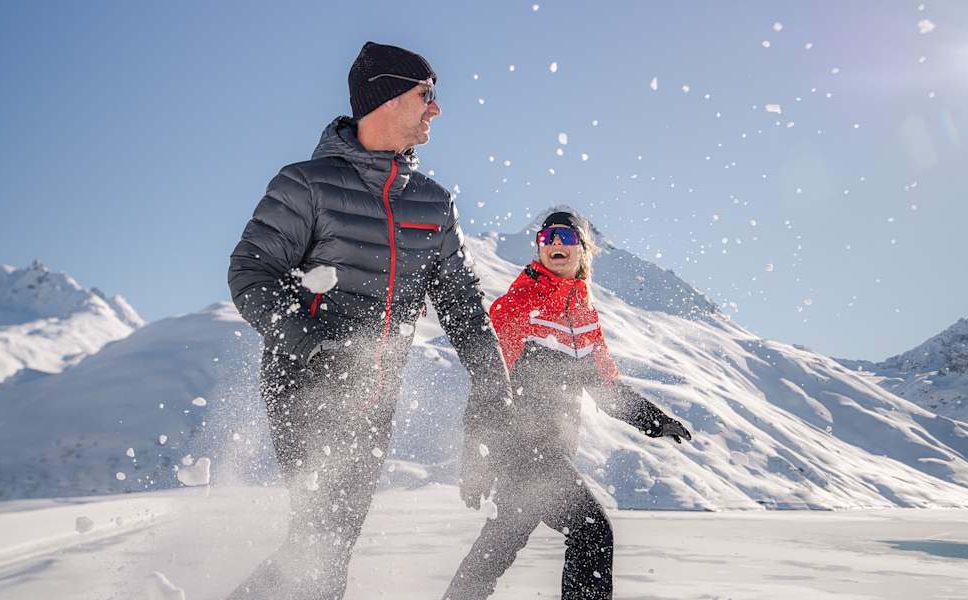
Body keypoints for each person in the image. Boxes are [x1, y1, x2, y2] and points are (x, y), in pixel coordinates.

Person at [227, 42, 512, 599]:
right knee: (322, 542)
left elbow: (462, 304)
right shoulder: (306, 184)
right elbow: (251, 273)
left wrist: (491, 378)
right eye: (426, 95)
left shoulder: (433, 203)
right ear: (385, 98)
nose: (437, 109)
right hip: (303, 385)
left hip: (375, 393)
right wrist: (312, 346)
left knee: (323, 544)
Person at [444, 211, 693, 600]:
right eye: (547, 236)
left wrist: (655, 421)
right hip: (523, 450)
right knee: (592, 530)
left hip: (553, 453)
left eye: (565, 236)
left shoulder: (583, 318)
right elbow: (488, 382)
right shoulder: (519, 304)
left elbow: (606, 390)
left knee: (494, 552)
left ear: (582, 248)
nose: (556, 243)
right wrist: (474, 454)